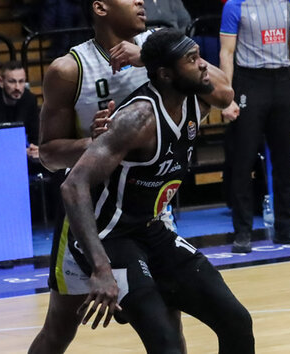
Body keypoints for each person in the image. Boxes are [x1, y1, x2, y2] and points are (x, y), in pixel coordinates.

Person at [59, 29, 253, 354]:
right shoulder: (137, 119)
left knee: (236, 320)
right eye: (192, 60)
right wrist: (101, 267)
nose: (203, 66)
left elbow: (226, 93)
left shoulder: (195, 99)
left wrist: (179, 56)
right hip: (111, 237)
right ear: (166, 74)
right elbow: (73, 184)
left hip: (150, 229)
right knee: (165, 343)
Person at [28, 0, 156, 353]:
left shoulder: (157, 47)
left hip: (148, 203)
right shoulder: (68, 69)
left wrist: (151, 58)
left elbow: (218, 89)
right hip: (90, 208)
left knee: (166, 324)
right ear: (100, 8)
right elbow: (49, 154)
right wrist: (93, 142)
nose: (139, 0)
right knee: (59, 330)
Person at [219, 0, 290, 253]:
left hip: (282, 81)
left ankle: (286, 226)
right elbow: (227, 54)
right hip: (249, 83)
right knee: (243, 160)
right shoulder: (236, 5)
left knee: (284, 161)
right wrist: (226, 97)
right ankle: (243, 231)